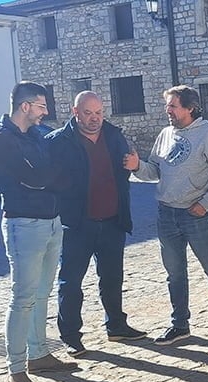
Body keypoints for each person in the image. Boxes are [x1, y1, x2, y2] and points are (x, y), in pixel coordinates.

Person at [123, 85, 208, 344]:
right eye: (167, 105)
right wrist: (137, 166)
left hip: (196, 215)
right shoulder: (166, 134)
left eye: (173, 105)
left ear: (190, 108)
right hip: (167, 215)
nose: (168, 110)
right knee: (175, 274)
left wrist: (206, 204)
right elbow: (155, 171)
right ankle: (179, 325)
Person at [0, 81, 77, 382]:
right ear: (25, 106)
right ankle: (16, 370)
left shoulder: (37, 134)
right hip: (23, 225)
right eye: (41, 106)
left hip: (52, 221)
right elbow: (35, 178)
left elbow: (56, 170)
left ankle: (39, 355)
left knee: (41, 294)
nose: (45, 112)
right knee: (22, 298)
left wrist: (52, 175)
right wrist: (54, 174)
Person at [45, 91, 146, 358]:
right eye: (88, 113)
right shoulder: (58, 142)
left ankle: (117, 326)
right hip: (77, 225)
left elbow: (126, 169)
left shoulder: (114, 136)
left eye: (99, 113)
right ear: (75, 112)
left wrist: (135, 165)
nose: (94, 118)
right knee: (70, 283)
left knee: (112, 278)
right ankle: (70, 336)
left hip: (112, 221)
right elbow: (48, 182)